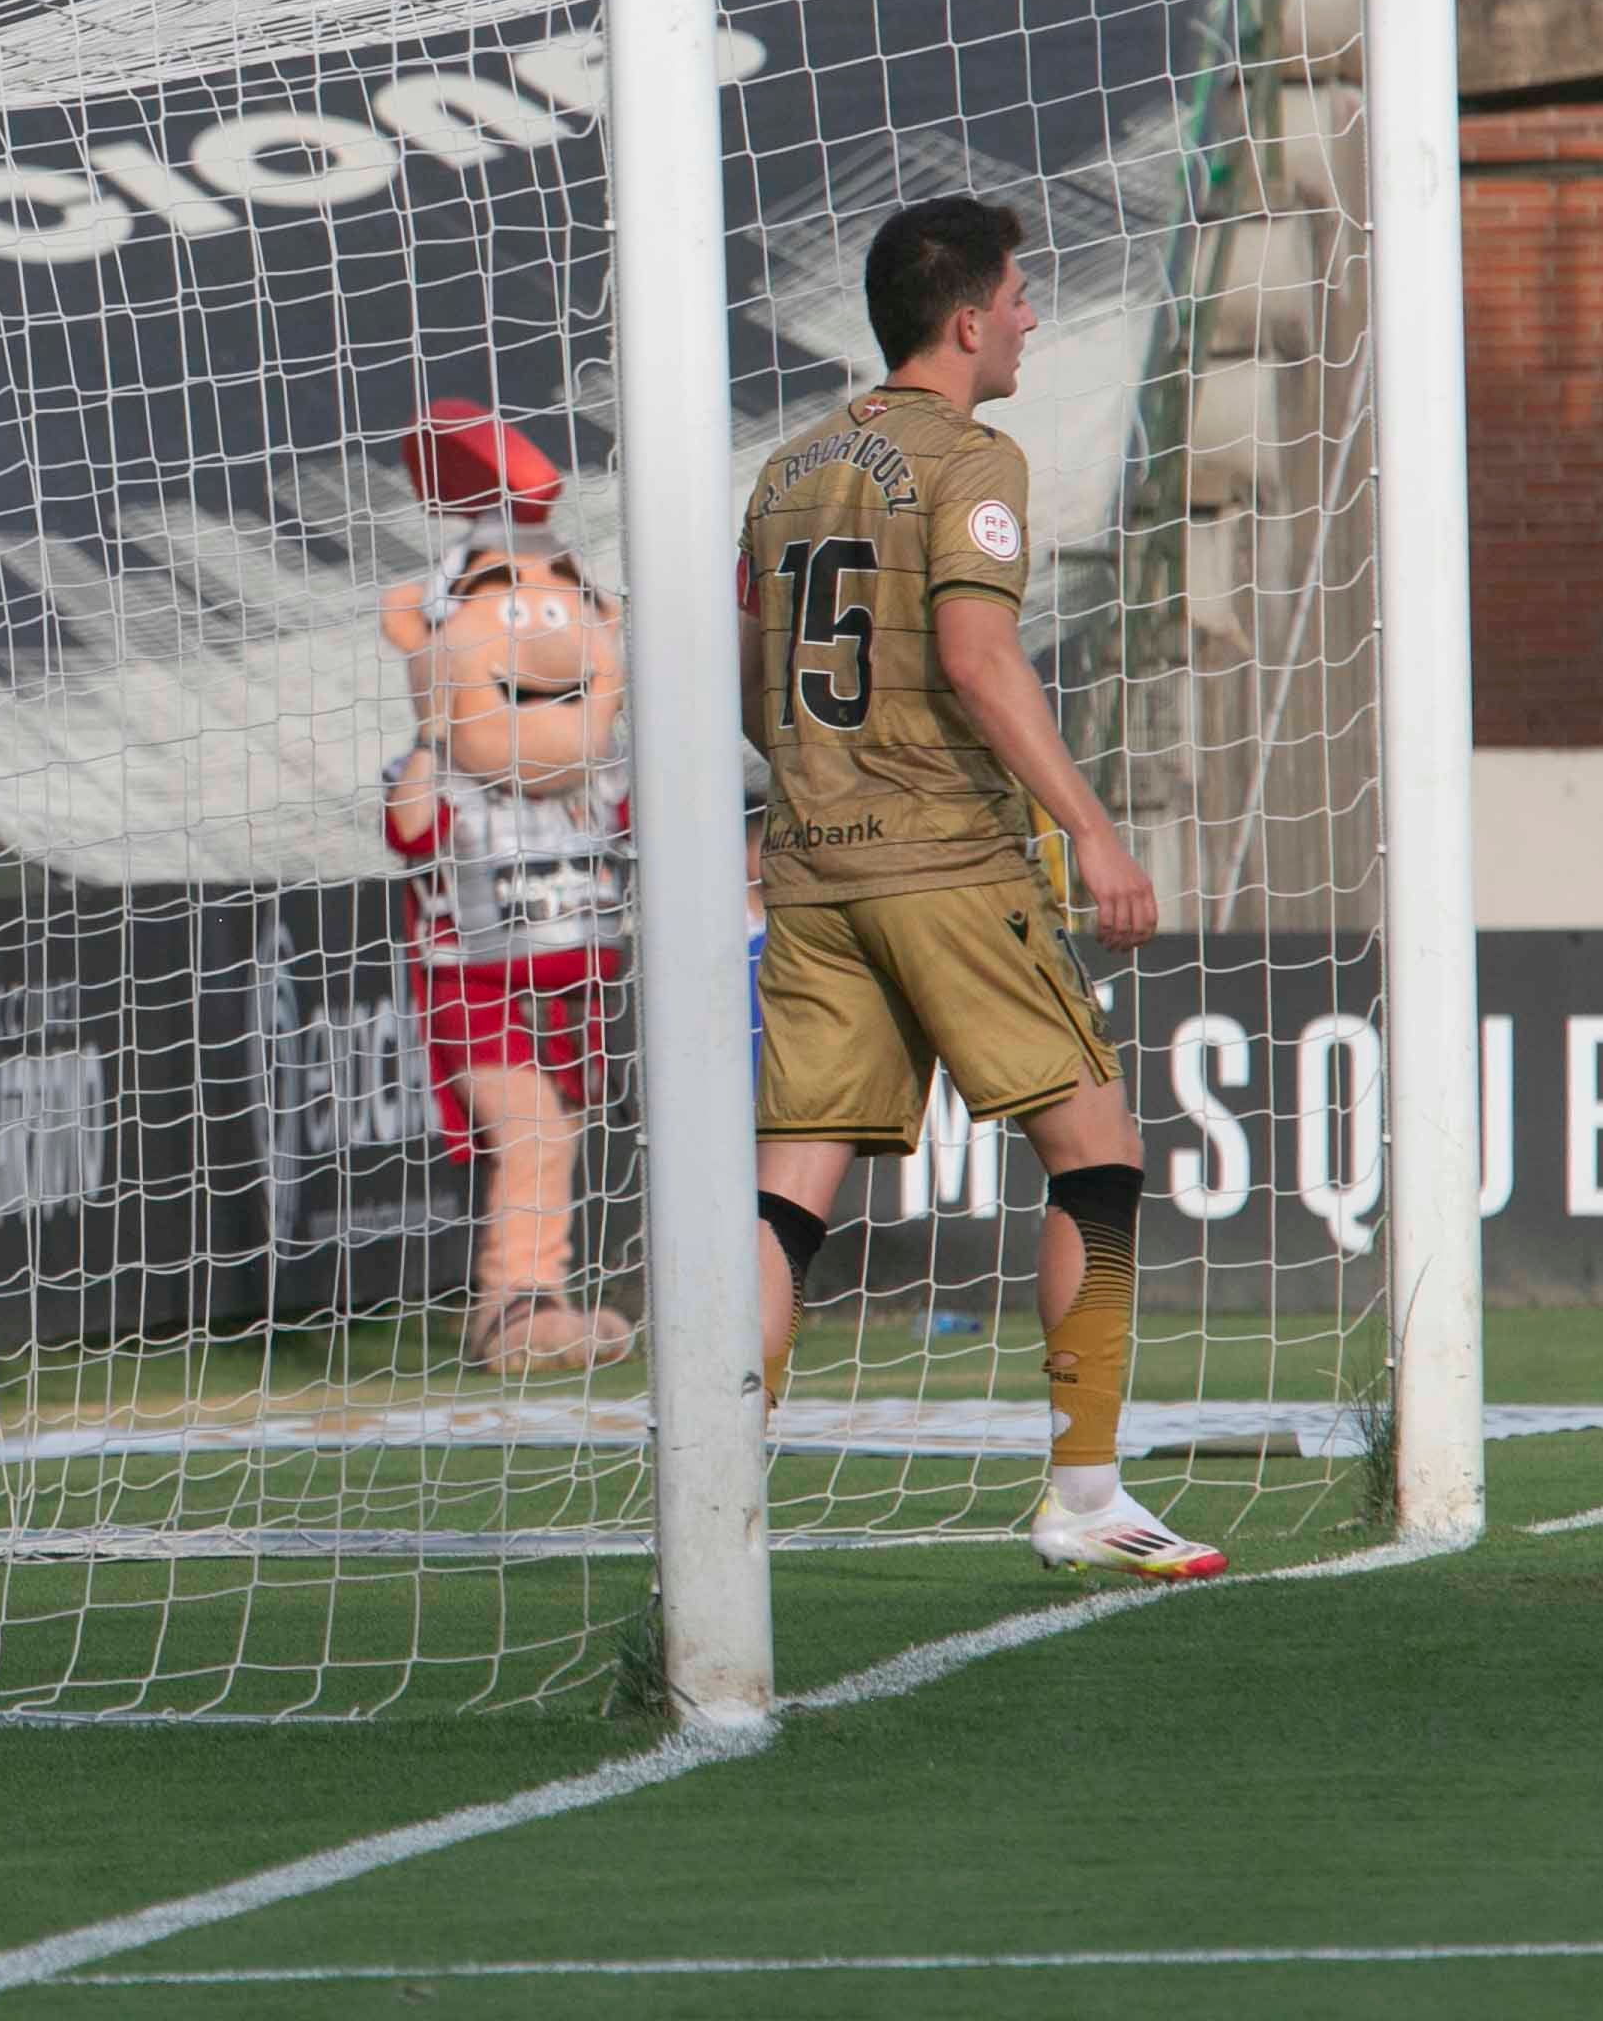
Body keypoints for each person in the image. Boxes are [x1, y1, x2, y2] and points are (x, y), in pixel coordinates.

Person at [740, 196, 1217, 1581]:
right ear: (963, 321)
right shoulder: (974, 461)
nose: (1029, 317)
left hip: (813, 866)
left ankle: (720, 1499)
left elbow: (750, 666)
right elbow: (977, 658)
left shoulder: (785, 470)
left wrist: (805, 793)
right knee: (1099, 1154)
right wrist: (1093, 835)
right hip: (946, 859)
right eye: (1017, 296)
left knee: (787, 1193)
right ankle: (1083, 1494)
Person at [377, 525, 639, 1374]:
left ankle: (530, 1299)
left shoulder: (606, 776)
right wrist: (433, 726)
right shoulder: (441, 771)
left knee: (554, 1139)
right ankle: (514, 1306)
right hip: (476, 990)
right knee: (529, 1133)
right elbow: (409, 831)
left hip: (573, 998)